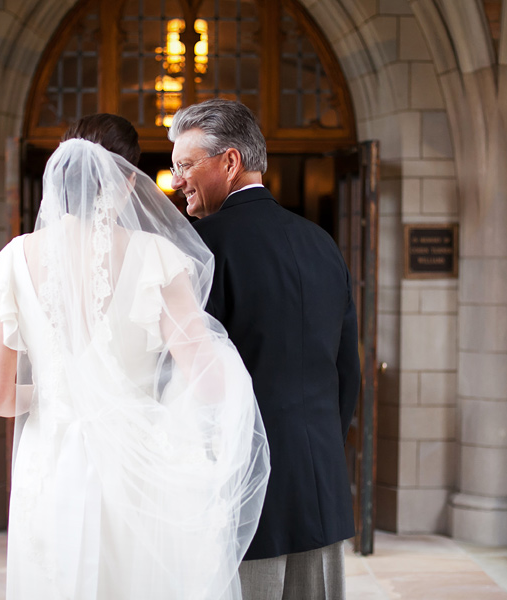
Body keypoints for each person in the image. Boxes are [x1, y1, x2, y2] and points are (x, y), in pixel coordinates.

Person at [0, 113, 270, 599]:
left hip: (48, 464)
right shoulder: (155, 256)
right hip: (137, 462)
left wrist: (54, 394)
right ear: (128, 179)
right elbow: (211, 381)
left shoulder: (16, 258)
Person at [168, 99, 360, 600]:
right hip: (321, 490)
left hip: (243, 494)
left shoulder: (199, 248)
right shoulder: (322, 243)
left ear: (229, 162)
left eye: (185, 165)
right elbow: (348, 373)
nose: (177, 180)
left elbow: (192, 381)